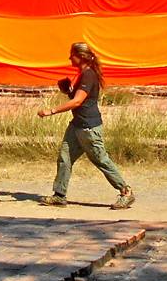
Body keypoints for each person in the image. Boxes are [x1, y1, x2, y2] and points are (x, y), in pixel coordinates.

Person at [37, 41, 134, 209]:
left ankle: (126, 192)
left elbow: (78, 101)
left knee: (101, 160)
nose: (69, 58)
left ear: (80, 57)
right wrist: (68, 91)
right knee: (65, 158)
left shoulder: (88, 75)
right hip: (78, 126)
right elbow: (78, 99)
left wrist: (51, 111)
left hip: (89, 127)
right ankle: (60, 195)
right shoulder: (83, 74)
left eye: (72, 55)